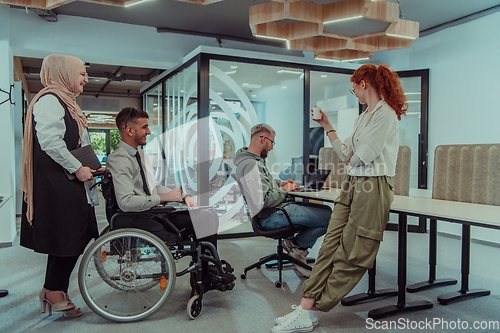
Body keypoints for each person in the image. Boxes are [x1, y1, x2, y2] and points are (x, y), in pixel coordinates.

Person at [272, 63, 405, 332]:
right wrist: (327, 126)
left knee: (354, 251)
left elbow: (358, 157)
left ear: (363, 84)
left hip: (374, 185)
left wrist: (352, 158)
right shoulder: (364, 117)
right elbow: (347, 155)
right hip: (353, 183)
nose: (354, 92)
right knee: (330, 245)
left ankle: (312, 306)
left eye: (353, 87)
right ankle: (306, 306)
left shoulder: (386, 115)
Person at [106, 107, 234, 290]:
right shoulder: (119, 159)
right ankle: (205, 274)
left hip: (150, 213)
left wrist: (183, 196)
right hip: (140, 218)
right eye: (145, 127)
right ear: (129, 130)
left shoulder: (139, 154)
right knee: (205, 218)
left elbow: (153, 186)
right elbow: (126, 202)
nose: (149, 132)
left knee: (207, 214)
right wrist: (163, 198)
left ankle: (206, 269)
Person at [20, 54, 99, 318]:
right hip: (58, 183)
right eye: (81, 74)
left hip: (66, 181)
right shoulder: (50, 100)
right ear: (64, 73)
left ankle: (53, 288)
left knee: (69, 237)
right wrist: (78, 168)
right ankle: (54, 290)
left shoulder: (66, 102)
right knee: (70, 237)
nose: (85, 80)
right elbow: (51, 142)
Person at [233, 123, 332, 277]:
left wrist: (281, 184)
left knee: (326, 210)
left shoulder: (253, 160)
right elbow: (263, 201)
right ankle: (298, 247)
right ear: (263, 139)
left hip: (275, 210)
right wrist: (285, 190)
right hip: (271, 215)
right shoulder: (251, 165)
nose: (272, 147)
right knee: (330, 217)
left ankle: (296, 245)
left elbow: (266, 183)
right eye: (272, 142)